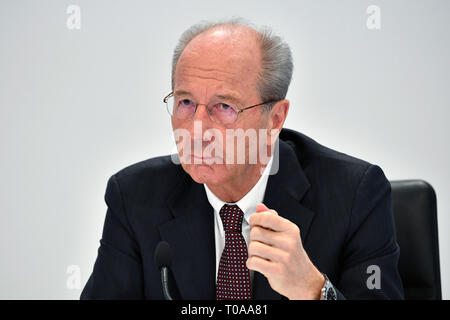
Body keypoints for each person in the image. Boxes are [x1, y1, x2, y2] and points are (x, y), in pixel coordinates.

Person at [81, 19, 404, 300]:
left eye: (224, 107)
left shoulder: (355, 194)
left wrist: (313, 291)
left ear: (275, 118)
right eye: (186, 102)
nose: (197, 130)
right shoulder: (135, 196)